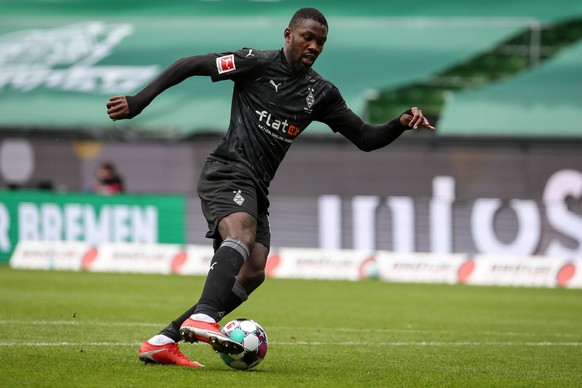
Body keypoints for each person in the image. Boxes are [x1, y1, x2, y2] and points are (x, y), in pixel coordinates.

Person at [106, 7, 435, 368]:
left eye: (321, 42)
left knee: (254, 271)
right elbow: (190, 64)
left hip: (257, 186)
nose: (314, 46)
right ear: (288, 34)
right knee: (242, 233)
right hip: (227, 169)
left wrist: (400, 122)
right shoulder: (254, 63)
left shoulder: (321, 93)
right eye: (307, 37)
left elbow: (365, 138)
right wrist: (139, 102)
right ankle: (203, 316)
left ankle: (164, 339)